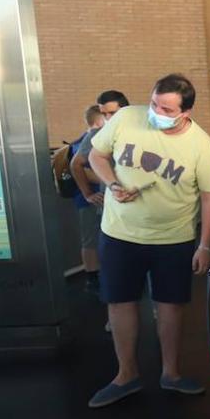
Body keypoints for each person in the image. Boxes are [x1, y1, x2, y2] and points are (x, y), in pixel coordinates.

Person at [85, 74, 210, 408]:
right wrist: (113, 184)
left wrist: (204, 245)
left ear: (185, 112)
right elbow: (96, 156)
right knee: (119, 301)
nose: (156, 111)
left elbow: (209, 197)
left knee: (171, 305)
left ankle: (171, 373)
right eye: (154, 103)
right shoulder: (127, 118)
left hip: (173, 238)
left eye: (165, 108)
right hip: (119, 233)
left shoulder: (201, 145)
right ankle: (126, 375)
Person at [70, 90, 130, 293]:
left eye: (112, 113)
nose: (109, 118)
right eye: (105, 114)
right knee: (111, 258)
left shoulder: (139, 131)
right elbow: (76, 164)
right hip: (110, 209)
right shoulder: (98, 135)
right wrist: (87, 193)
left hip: (138, 210)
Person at [69, 104, 106, 294]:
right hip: (92, 199)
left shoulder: (80, 140)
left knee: (91, 238)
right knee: (91, 239)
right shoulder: (91, 140)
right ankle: (92, 279)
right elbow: (80, 168)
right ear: (99, 120)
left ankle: (94, 277)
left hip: (89, 197)